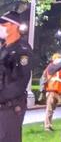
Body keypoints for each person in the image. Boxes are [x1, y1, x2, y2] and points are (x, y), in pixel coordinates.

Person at [0, 10, 33, 142]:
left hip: (11, 107)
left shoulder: (22, 49)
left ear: (14, 26)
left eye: (4, 24)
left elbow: (20, 82)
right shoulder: (4, 48)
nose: (1, 27)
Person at [41, 52, 61, 131]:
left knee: (52, 109)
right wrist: (42, 90)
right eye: (57, 58)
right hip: (52, 91)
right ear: (54, 59)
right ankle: (47, 126)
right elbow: (44, 78)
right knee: (50, 109)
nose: (59, 60)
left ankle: (49, 125)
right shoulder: (50, 67)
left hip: (59, 92)